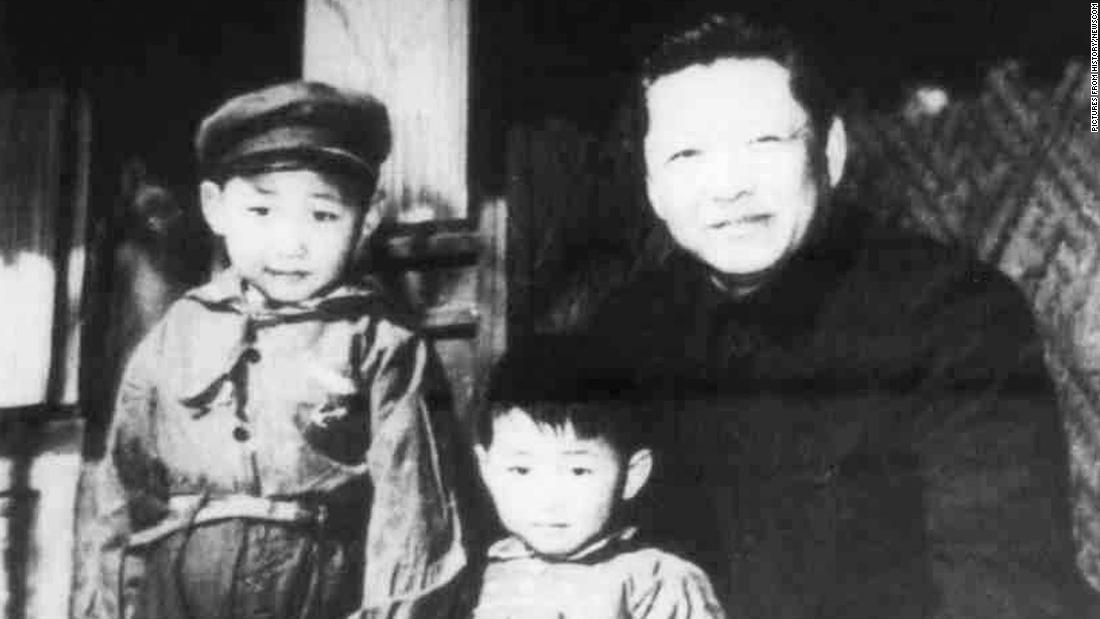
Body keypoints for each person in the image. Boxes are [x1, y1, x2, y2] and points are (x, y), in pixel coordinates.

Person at [582, 12, 1097, 618]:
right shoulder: (624, 330)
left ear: (831, 152)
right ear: (653, 189)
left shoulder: (957, 312)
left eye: (763, 143)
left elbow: (1008, 598)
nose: (727, 186)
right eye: (687, 155)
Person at [80, 81, 466, 619]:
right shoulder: (175, 336)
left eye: (322, 216)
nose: (290, 242)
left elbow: (413, 518)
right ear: (215, 208)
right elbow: (120, 500)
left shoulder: (382, 343)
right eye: (262, 212)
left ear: (368, 217)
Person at [467, 339, 726, 618]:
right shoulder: (481, 574)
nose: (547, 498)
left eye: (578, 471)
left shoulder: (655, 580)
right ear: (487, 468)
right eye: (521, 470)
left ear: (632, 476)